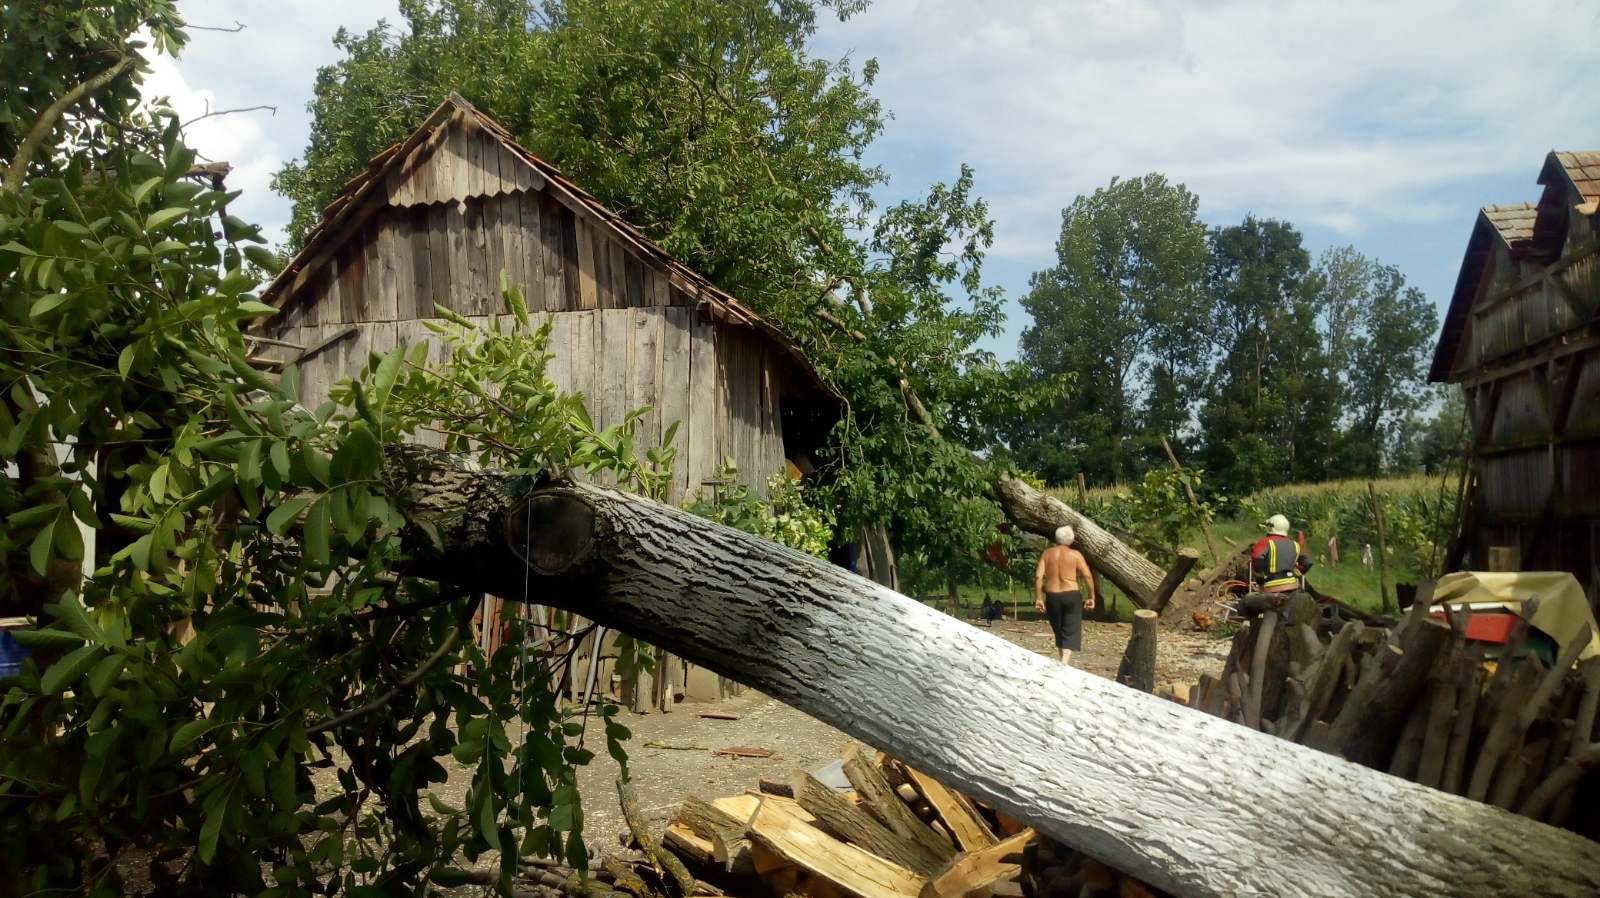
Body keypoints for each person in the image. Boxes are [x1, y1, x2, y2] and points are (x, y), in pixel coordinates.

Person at [1033, 525, 1095, 666]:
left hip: (1053, 595)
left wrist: (1038, 598)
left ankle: (1062, 662)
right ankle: (1064, 664)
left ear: (1056, 538)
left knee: (1059, 630)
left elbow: (1038, 577)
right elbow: (1087, 576)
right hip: (1071, 594)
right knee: (1070, 630)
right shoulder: (1075, 555)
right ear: (1071, 540)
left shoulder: (1047, 554)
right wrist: (1091, 597)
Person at [1251, 514, 1311, 593]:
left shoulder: (1265, 542)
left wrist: (1260, 581)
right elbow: (1307, 562)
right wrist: (1294, 573)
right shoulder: (1295, 544)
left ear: (1271, 528)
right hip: (1292, 587)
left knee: (1244, 603)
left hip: (1271, 588)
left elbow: (1257, 561)